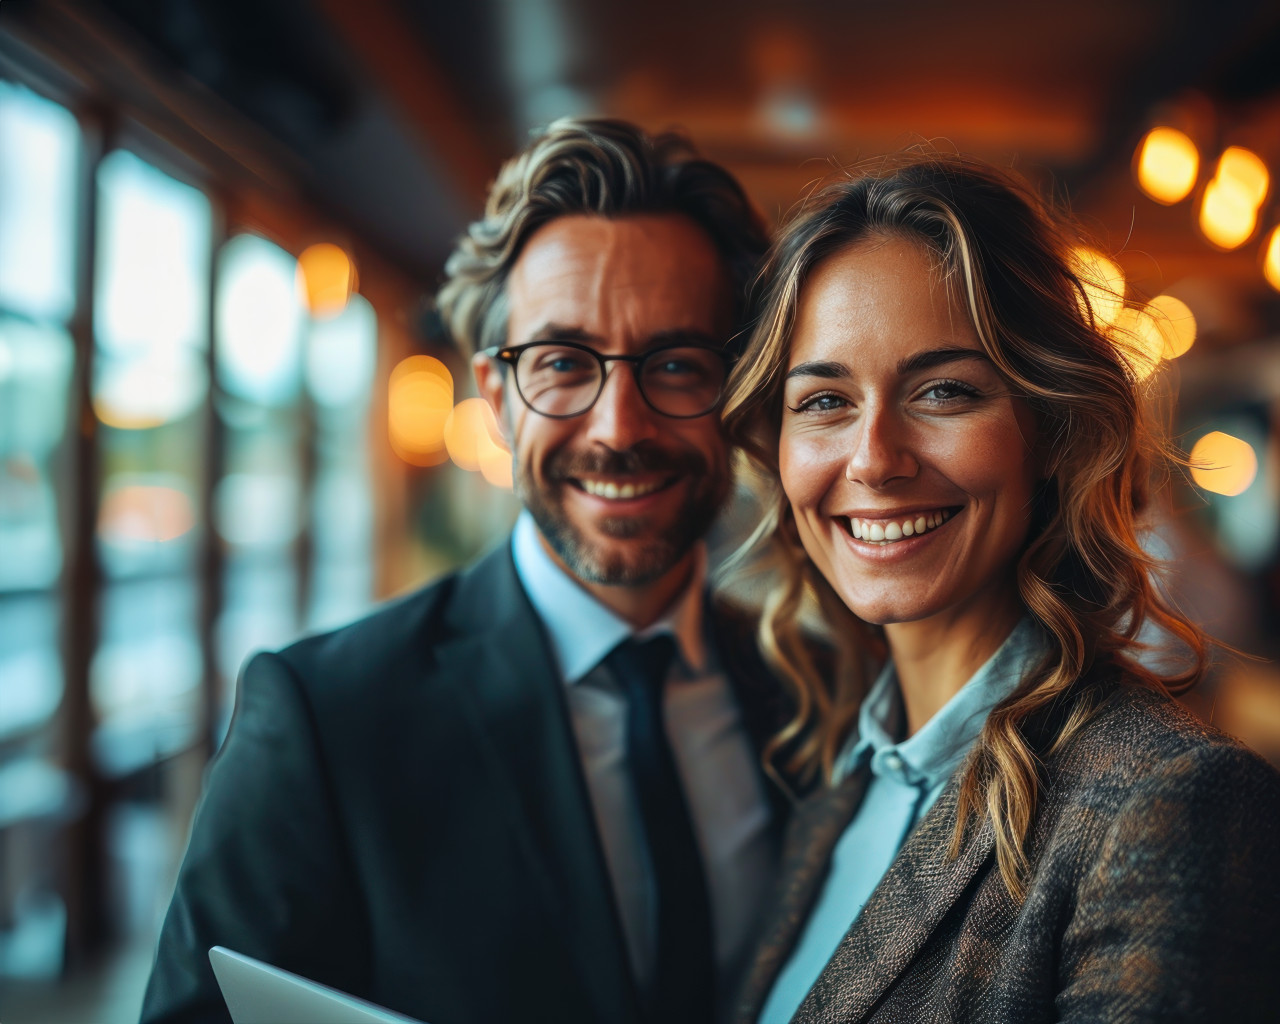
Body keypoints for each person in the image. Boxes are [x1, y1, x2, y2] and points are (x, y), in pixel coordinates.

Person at [142, 118, 791, 1024]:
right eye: (562, 363)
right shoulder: (324, 716)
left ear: (740, 389)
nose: (619, 428)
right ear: (495, 396)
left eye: (678, 364)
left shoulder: (806, 692)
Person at [721, 155, 1280, 1023]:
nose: (873, 459)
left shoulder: (1170, 800)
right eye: (824, 401)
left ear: (1051, 430)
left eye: (944, 391)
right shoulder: (834, 782)